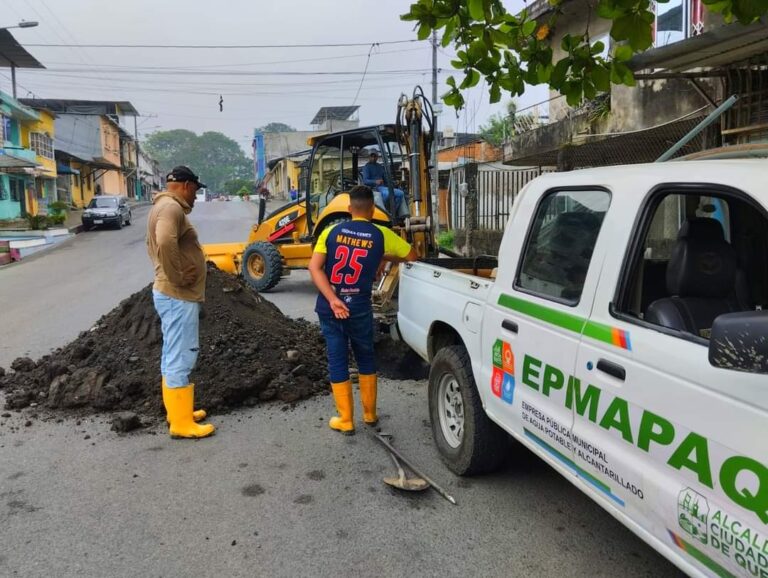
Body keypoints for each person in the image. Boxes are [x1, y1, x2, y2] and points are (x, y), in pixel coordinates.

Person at [308, 185, 418, 435]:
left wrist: (334, 300)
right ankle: (369, 414)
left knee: (337, 358)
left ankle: (345, 420)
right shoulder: (381, 235)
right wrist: (384, 257)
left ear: (349, 209)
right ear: (371, 210)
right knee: (365, 356)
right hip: (359, 306)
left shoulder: (330, 231)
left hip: (330, 307)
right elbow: (413, 256)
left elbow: (314, 268)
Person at [146, 165, 215, 439]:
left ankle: (178, 413)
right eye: (196, 190)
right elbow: (164, 241)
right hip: (177, 295)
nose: (196, 197)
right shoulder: (171, 208)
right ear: (186, 185)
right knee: (181, 355)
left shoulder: (163, 206)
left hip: (173, 295)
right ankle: (181, 424)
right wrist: (177, 276)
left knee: (172, 354)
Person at [361, 150, 406, 216]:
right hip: (374, 188)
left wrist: (394, 183)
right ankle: (383, 212)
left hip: (384, 187)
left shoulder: (380, 167)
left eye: (375, 156)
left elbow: (386, 180)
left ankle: (392, 213)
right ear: (369, 157)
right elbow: (365, 181)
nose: (373, 158)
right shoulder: (366, 167)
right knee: (387, 194)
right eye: (372, 156)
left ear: (377, 157)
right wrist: (375, 181)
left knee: (401, 193)